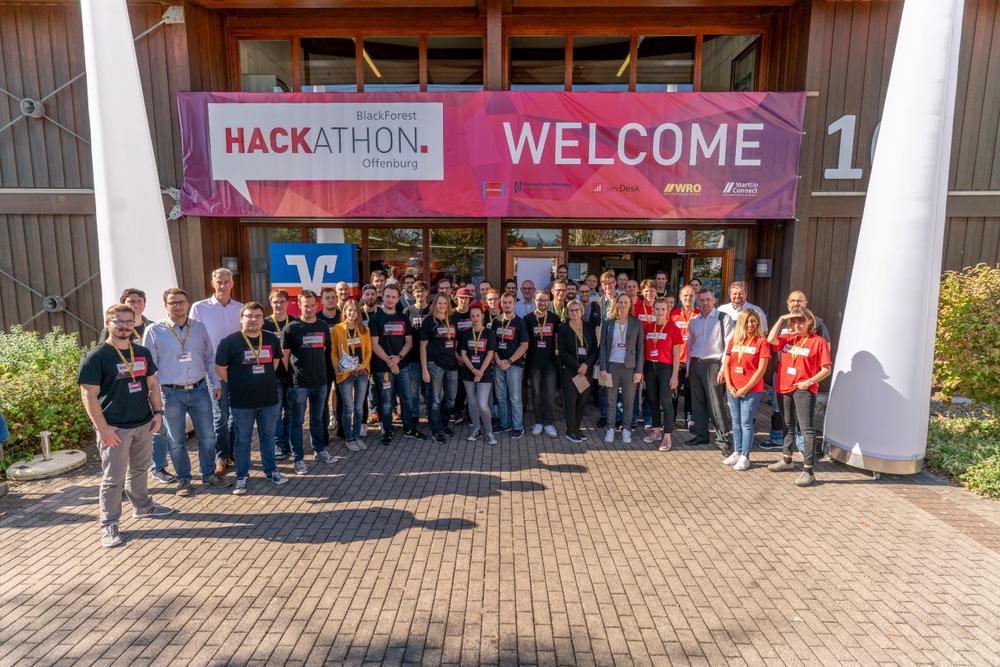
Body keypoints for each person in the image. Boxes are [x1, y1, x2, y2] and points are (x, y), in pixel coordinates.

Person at [79, 304, 175, 548]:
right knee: (114, 478)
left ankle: (143, 507)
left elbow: (152, 384)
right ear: (107, 324)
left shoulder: (141, 352)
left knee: (140, 469)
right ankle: (109, 523)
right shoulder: (97, 356)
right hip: (115, 428)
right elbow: (88, 395)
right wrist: (103, 429)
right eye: (118, 321)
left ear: (134, 324)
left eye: (128, 322)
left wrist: (158, 412)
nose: (124, 326)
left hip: (143, 423)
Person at [143, 288, 226, 495]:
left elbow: (209, 357)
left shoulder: (199, 327)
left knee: (208, 436)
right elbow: (149, 368)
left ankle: (208, 474)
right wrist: (152, 397)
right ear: (165, 306)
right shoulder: (154, 331)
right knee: (176, 439)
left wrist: (215, 383)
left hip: (200, 390)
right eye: (173, 302)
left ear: (188, 304)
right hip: (171, 393)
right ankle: (184, 479)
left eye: (181, 301)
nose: (178, 306)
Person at [215, 302, 288, 495]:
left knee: (268, 438)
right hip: (242, 402)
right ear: (241, 319)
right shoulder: (230, 341)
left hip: (269, 400)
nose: (253, 319)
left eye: (257, 316)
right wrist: (238, 383)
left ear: (263, 320)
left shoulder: (271, 338)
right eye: (249, 316)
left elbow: (275, 362)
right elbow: (220, 369)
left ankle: (271, 471)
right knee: (242, 440)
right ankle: (241, 476)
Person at [766, 309, 832, 486]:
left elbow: (826, 369)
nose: (797, 325)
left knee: (806, 429)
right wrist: (781, 318)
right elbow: (770, 339)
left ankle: (808, 470)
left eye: (801, 321)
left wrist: (809, 382)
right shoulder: (788, 338)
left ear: (810, 322)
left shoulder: (818, 342)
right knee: (787, 424)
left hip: (804, 389)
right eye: (794, 322)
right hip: (784, 386)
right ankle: (787, 459)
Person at [190, 267, 243, 476]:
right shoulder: (200, 308)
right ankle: (221, 456)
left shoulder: (240, 308)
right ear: (212, 283)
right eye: (219, 282)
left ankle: (232, 452)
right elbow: (194, 339)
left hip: (238, 371)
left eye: (226, 281)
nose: (222, 285)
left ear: (232, 283)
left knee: (236, 415)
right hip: (214, 372)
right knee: (220, 416)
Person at [281, 290, 334, 474]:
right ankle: (298, 459)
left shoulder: (323, 326)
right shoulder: (291, 328)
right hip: (299, 384)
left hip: (320, 381)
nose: (310, 309)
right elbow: (284, 357)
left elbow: (325, 350)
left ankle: (319, 450)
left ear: (317, 305)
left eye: (312, 305)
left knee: (317, 419)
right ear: (299, 305)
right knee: (297, 421)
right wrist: (290, 379)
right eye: (306, 306)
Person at [369, 284, 423, 445]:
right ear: (383, 297)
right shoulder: (376, 318)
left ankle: (409, 428)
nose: (390, 299)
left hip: (402, 366)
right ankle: (388, 430)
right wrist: (389, 361)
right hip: (382, 368)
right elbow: (374, 344)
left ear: (397, 299)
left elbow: (409, 342)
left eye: (393, 297)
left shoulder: (402, 317)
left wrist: (398, 358)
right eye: (387, 296)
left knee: (407, 398)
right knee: (386, 402)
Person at [685, 288, 734, 451]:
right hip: (696, 364)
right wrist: (688, 366)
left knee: (715, 403)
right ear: (698, 301)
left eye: (708, 299)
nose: (705, 303)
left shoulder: (723, 318)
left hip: (714, 364)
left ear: (714, 300)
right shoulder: (694, 321)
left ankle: (723, 440)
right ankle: (701, 435)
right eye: (702, 300)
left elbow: (729, 345)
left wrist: (723, 368)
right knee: (697, 403)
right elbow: (690, 345)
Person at [722, 310, 771, 471]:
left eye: (753, 321)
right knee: (735, 422)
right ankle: (737, 451)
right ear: (741, 323)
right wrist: (729, 385)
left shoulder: (762, 342)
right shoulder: (735, 340)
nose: (750, 324)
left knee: (746, 423)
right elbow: (727, 364)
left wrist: (745, 388)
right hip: (733, 388)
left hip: (751, 389)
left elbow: (761, 370)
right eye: (747, 321)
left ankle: (745, 456)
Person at [598, 294, 644, 444]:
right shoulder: (608, 323)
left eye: (626, 302)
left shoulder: (636, 323)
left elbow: (640, 348)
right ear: (616, 304)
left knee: (628, 400)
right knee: (610, 400)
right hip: (611, 366)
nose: (623, 305)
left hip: (630, 367)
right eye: (621, 302)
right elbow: (603, 346)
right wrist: (603, 368)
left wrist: (639, 370)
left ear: (630, 305)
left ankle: (626, 429)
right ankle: (610, 428)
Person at [642, 298, 682, 452]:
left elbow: (677, 355)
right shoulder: (647, 328)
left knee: (666, 401)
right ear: (653, 310)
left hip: (666, 368)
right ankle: (656, 430)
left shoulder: (673, 328)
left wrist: (675, 375)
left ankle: (667, 436)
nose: (660, 312)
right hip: (650, 367)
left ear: (667, 311)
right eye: (657, 309)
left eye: (663, 309)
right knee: (652, 399)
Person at [332, 299, 372, 452]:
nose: (352, 313)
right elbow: (334, 351)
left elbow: (369, 351)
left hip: (361, 372)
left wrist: (363, 365)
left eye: (355, 310)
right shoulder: (338, 329)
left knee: (359, 407)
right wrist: (338, 366)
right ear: (345, 312)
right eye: (349, 310)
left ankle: (356, 437)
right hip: (345, 373)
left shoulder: (364, 329)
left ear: (358, 313)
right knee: (348, 407)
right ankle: (349, 439)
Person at [420, 293, 459, 444]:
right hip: (434, 365)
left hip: (452, 365)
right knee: (435, 400)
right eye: (439, 303)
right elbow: (423, 347)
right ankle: (437, 430)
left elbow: (455, 342)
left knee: (451, 399)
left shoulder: (452, 320)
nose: (442, 306)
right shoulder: (428, 322)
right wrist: (424, 369)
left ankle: (444, 424)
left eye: (445, 303)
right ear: (434, 304)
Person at [263, 288, 297, 460]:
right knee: (275, 411)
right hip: (273, 375)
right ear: (271, 303)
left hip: (292, 375)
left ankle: (289, 443)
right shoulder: (264, 324)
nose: (279, 305)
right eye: (275, 302)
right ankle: (278, 443)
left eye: (282, 301)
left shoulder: (295, 322)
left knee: (290, 411)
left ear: (288, 303)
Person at [558, 301, 598, 443]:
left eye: (577, 310)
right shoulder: (563, 328)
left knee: (582, 400)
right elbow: (563, 352)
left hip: (586, 370)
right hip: (571, 370)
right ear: (567, 313)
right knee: (571, 401)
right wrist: (577, 366)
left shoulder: (589, 327)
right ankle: (570, 431)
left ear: (582, 311)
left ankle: (576, 427)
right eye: (571, 310)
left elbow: (594, 349)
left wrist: (586, 365)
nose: (574, 312)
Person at [458, 304, 497, 445]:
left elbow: (490, 354)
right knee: (472, 402)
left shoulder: (489, 333)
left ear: (482, 316)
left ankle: (489, 432)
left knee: (482, 404)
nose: (475, 318)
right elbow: (463, 354)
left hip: (484, 372)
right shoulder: (466, 333)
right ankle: (476, 429)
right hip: (469, 372)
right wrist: (473, 370)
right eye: (472, 316)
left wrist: (480, 372)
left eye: (477, 315)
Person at [493, 292, 529, 438]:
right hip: (498, 364)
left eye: (509, 302)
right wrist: (498, 361)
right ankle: (505, 423)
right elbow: (492, 344)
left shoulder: (520, 322)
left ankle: (517, 426)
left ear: (514, 304)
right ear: (500, 304)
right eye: (504, 302)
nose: (507, 305)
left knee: (515, 397)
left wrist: (509, 361)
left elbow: (524, 345)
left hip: (514, 365)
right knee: (501, 396)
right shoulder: (496, 321)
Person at [524, 290, 559, 438]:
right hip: (534, 363)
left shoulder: (554, 318)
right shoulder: (528, 319)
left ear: (548, 301)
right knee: (536, 393)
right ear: (534, 301)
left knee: (550, 394)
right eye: (539, 300)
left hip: (550, 363)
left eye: (545, 300)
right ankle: (538, 421)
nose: (542, 303)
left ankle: (549, 423)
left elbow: (557, 341)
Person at [404, 280, 431, 431]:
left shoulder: (432, 310)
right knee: (413, 390)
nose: (420, 294)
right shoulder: (407, 311)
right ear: (413, 294)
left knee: (429, 389)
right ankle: (414, 415)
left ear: (427, 292)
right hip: (413, 357)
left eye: (422, 291)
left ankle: (430, 414)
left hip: (430, 357)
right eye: (417, 291)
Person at [670, 285, 698, 428]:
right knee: (673, 390)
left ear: (695, 297)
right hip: (677, 360)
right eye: (685, 295)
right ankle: (672, 416)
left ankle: (689, 417)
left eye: (691, 295)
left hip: (694, 361)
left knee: (691, 391)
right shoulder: (673, 314)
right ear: (680, 298)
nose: (688, 298)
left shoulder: (700, 314)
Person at [317, 287, 341, 444]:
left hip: (342, 363)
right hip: (323, 365)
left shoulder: (343, 316)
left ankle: (343, 431)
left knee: (343, 398)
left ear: (337, 299)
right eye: (327, 297)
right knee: (322, 400)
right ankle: (323, 434)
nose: (331, 300)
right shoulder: (317, 319)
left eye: (333, 297)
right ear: (322, 300)